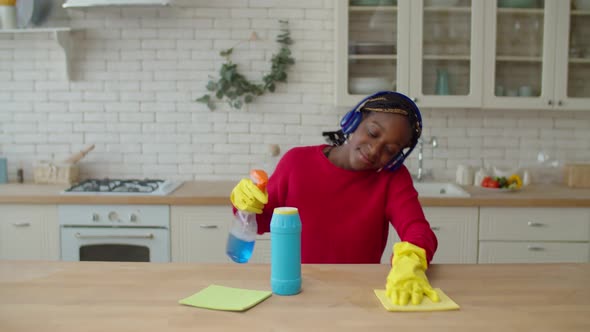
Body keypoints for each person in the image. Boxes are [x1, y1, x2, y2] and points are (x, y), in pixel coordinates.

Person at [231, 91, 439, 306]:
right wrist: (246, 205)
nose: (375, 150)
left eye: (390, 150)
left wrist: (411, 259)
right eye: (373, 132)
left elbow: (418, 229)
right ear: (354, 121)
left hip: (357, 295)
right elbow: (260, 221)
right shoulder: (297, 163)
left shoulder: (391, 179)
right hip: (297, 291)